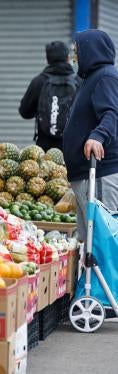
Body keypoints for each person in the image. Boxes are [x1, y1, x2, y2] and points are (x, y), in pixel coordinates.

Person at [64, 29, 118, 242]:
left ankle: (107, 276)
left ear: (91, 51)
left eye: (77, 52)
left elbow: (112, 112)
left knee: (103, 238)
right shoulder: (91, 79)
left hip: (100, 171)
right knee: (88, 240)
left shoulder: (106, 77)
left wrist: (98, 136)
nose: (74, 58)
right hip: (85, 174)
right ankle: (91, 276)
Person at [19, 41, 78, 151]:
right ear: (67, 57)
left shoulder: (39, 81)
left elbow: (24, 112)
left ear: (47, 59)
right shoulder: (78, 82)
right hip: (72, 149)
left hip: (45, 150)